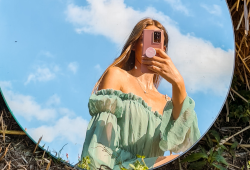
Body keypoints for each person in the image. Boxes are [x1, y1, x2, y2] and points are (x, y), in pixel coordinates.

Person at [79, 18, 200, 170]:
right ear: (134, 44)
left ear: (163, 47)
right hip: (116, 165)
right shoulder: (117, 76)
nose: (149, 47)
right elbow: (101, 138)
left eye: (155, 41)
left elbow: (185, 141)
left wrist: (178, 82)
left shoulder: (167, 103)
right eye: (144, 39)